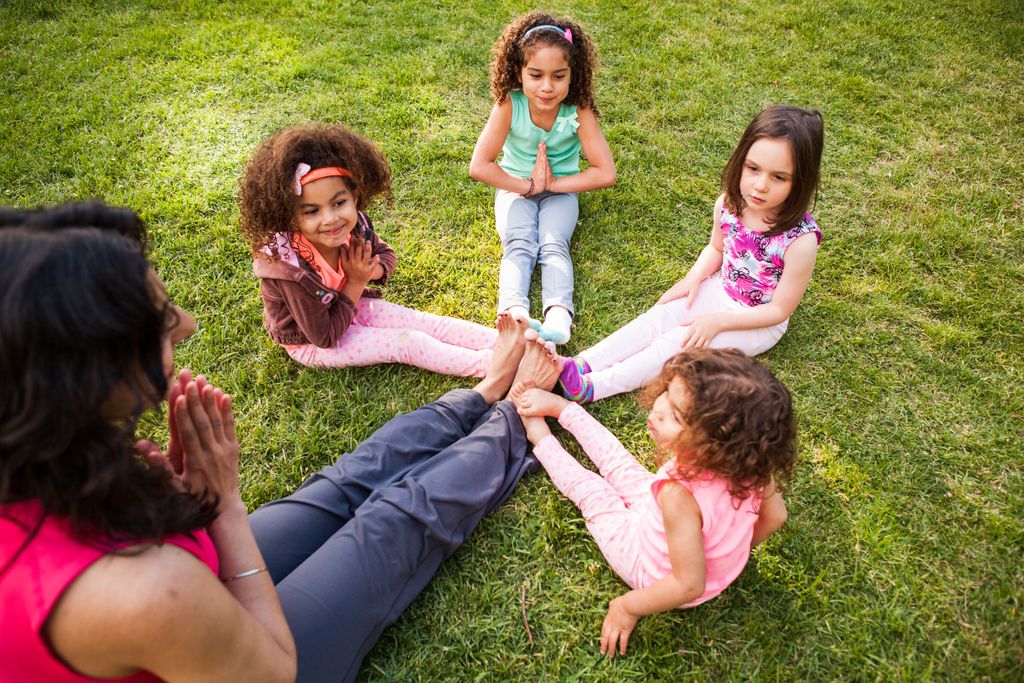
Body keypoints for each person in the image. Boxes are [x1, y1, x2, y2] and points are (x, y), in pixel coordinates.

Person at [0, 202, 563, 683]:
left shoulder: (44, 456)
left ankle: (485, 391)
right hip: (260, 662)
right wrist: (221, 505)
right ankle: (514, 416)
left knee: (351, 479)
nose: (187, 323)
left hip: (183, 600)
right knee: (393, 519)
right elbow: (273, 669)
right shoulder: (145, 593)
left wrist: (170, 505)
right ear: (76, 375)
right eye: (159, 317)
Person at [509, 349, 796, 658]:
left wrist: (627, 606)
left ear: (716, 445)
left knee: (595, 494)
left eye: (676, 416)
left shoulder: (679, 496)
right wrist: (728, 551)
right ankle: (563, 409)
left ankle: (540, 436)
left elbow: (689, 584)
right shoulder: (751, 464)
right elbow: (776, 516)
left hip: (647, 565)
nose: (659, 410)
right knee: (619, 464)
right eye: (668, 395)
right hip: (663, 525)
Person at [557, 105, 824, 402]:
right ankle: (582, 363)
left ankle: (595, 387)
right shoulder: (730, 204)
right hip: (720, 290)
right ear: (741, 161)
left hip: (758, 321)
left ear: (800, 181)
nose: (760, 185)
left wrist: (718, 322)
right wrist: (693, 278)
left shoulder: (800, 240)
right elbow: (716, 248)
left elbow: (778, 311)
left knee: (676, 344)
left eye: (779, 177)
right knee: (656, 319)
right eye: (753, 169)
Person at [239, 124, 503, 376]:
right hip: (311, 343)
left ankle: (514, 344)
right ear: (291, 217)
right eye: (312, 211)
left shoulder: (353, 227)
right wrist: (355, 280)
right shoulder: (290, 268)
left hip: (351, 305)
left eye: (339, 202)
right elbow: (325, 336)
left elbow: (385, 255)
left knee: (424, 322)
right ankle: (498, 367)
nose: (330, 218)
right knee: (409, 342)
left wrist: (369, 270)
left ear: (354, 197)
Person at [470, 11, 616, 345]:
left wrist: (553, 186)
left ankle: (559, 314)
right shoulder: (509, 104)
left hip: (561, 191)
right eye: (536, 75)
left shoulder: (579, 110)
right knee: (519, 243)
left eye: (558, 76)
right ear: (518, 72)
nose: (547, 87)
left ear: (572, 75)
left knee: (553, 244)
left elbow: (605, 172)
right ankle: (513, 310)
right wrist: (528, 186)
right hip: (515, 189)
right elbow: (480, 165)